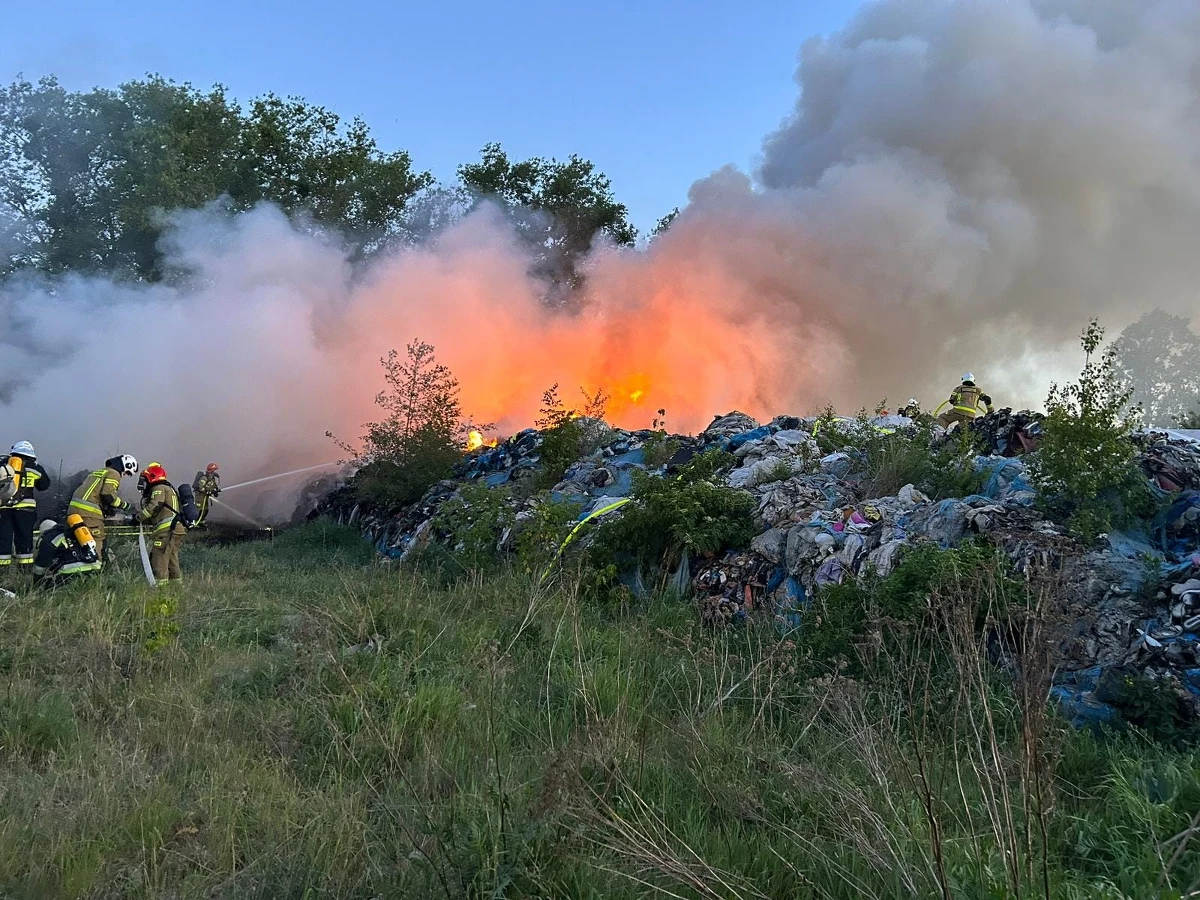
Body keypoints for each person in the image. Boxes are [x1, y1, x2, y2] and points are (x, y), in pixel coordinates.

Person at [68, 455, 138, 561]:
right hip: (88, 511)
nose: (125, 475)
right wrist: (126, 506)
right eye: (127, 473)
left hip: (74, 509)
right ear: (126, 465)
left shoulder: (100, 472)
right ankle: (94, 566)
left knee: (80, 539)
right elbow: (108, 494)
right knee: (96, 540)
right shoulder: (114, 473)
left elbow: (96, 492)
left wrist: (106, 509)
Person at [0, 441, 51, 572]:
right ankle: (24, 569)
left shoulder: (3, 465)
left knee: (3, 537)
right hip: (25, 510)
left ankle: (2, 570)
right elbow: (44, 485)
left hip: (4, 508)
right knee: (24, 538)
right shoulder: (35, 468)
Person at [135, 464, 186, 586]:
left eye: (145, 480)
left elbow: (154, 507)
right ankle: (177, 586)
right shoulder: (168, 488)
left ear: (152, 478)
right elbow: (159, 513)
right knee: (171, 560)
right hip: (176, 529)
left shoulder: (159, 488)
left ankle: (160, 588)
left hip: (167, 530)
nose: (144, 484)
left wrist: (137, 517)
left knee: (159, 558)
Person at [32, 519, 101, 585]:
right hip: (94, 569)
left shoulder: (48, 538)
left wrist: (36, 581)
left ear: (43, 532)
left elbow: (41, 564)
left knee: (48, 589)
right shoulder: (73, 532)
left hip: (70, 572)